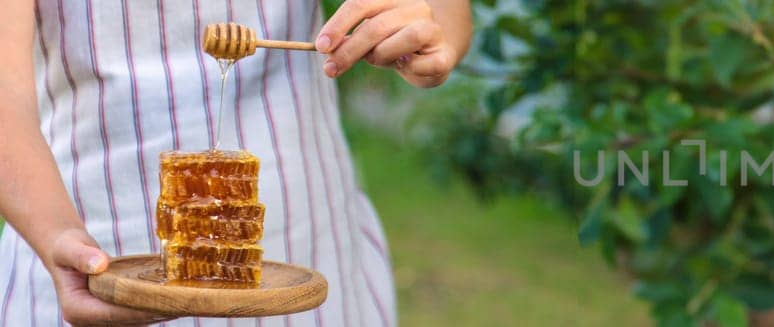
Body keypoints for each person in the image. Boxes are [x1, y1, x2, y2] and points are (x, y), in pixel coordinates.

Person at [0, 0, 470, 325]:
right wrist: (59, 234)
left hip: (307, 238)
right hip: (90, 235)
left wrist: (425, 31)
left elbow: (443, 14)